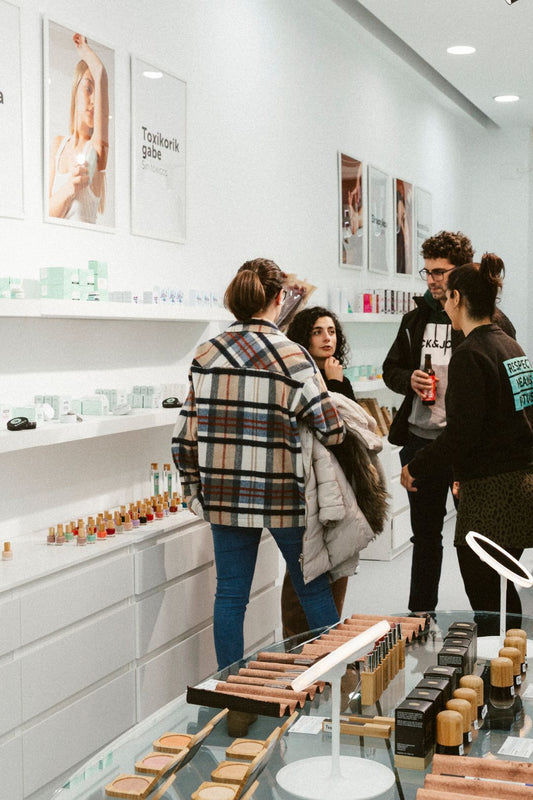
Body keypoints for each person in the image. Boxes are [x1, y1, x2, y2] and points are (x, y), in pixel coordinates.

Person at [171, 260, 345, 669]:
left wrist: (197, 494)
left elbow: (184, 436)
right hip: (284, 494)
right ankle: (333, 685)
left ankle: (231, 694)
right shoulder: (291, 355)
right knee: (314, 591)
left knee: (230, 596)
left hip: (225, 494)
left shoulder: (206, 353)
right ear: (280, 298)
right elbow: (332, 429)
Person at [382, 231, 516, 615]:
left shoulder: (490, 322)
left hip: (466, 448)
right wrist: (409, 378)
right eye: (427, 272)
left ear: (463, 273)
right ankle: (420, 616)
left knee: (475, 542)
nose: (432, 281)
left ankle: (491, 624)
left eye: (440, 272)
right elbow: (391, 368)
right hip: (421, 440)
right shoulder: (414, 319)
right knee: (424, 537)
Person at [400, 255, 533, 633]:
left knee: (489, 605)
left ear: (456, 297)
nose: (443, 305)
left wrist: (415, 466)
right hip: (519, 486)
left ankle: (498, 680)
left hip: (492, 496)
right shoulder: (512, 347)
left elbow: (460, 434)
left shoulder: (470, 354)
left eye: (446, 298)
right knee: (502, 594)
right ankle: (509, 670)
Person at [281, 307, 388, 637]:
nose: (327, 337)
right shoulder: (305, 377)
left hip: (344, 483)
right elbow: (333, 429)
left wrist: (339, 383)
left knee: (336, 561)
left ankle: (325, 645)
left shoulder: (337, 376)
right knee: (307, 567)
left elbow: (351, 435)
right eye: (317, 331)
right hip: (313, 486)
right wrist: (336, 384)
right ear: (303, 337)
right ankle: (303, 647)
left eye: (331, 331)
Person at [48, 33, 109, 223]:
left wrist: (87, 54)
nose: (93, 102)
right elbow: (46, 212)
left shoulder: (96, 150)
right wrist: (70, 187)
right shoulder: (58, 145)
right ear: (75, 90)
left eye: (97, 93)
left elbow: (101, 74)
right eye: (88, 89)